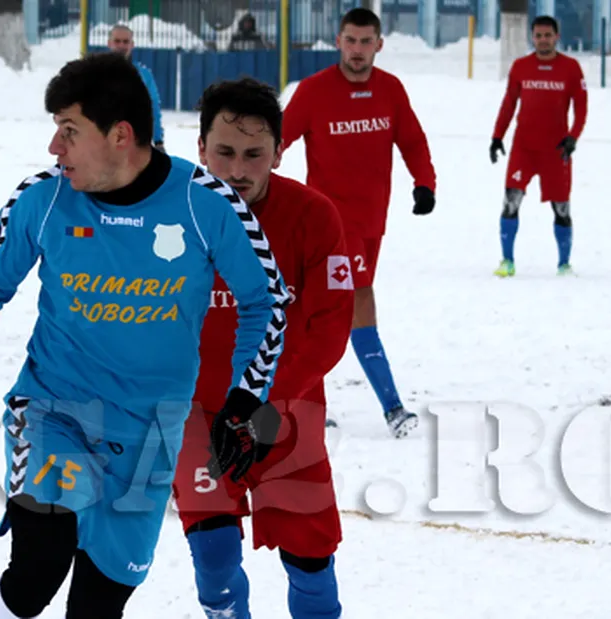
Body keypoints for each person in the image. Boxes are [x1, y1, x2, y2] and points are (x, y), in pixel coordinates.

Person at [0, 53, 291, 619]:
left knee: (98, 603)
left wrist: (244, 400)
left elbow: (267, 301)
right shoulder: (44, 197)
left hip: (151, 434)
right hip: (55, 411)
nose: (54, 149)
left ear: (120, 135)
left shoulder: (204, 202)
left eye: (68, 132)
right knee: (40, 566)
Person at [174, 78, 354, 619]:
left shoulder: (314, 215)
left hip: (283, 415)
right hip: (196, 417)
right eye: (224, 152)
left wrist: (259, 403)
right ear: (200, 148)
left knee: (310, 562)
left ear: (279, 150)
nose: (237, 169)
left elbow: (328, 327)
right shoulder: (169, 218)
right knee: (214, 555)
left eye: (255, 154)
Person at [282, 7, 436, 439]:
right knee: (343, 305)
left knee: (335, 306)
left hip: (371, 223)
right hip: (327, 224)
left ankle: (307, 402)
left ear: (379, 45)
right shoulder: (313, 92)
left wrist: (425, 182)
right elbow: (278, 140)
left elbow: (412, 141)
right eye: (350, 40)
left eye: (366, 42)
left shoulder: (390, 90)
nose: (357, 50)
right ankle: (389, 408)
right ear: (338, 41)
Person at [489, 15, 588, 277]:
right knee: (511, 201)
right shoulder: (521, 67)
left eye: (548, 35)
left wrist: (573, 137)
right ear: (532, 37)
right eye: (538, 35)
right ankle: (507, 261)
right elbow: (509, 103)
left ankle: (564, 264)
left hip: (556, 151)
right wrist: (497, 136)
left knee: (562, 208)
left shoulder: (571, 68)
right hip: (524, 149)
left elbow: (581, 107)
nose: (543, 40)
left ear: (557, 37)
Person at [107, 24, 165, 151]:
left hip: (135, 145)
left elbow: (153, 107)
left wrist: (158, 141)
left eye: (125, 42)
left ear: (132, 45)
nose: (121, 46)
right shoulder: (95, 73)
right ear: (109, 43)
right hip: (103, 144)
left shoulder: (144, 75)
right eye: (117, 41)